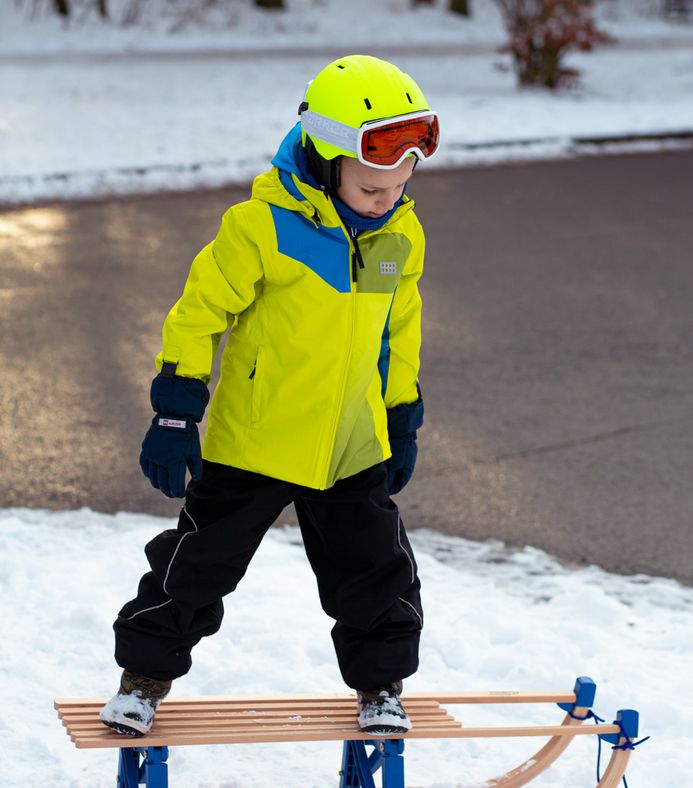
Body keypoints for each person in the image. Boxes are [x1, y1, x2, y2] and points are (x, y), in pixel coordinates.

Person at [98, 54, 438, 738]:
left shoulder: (400, 235)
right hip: (253, 440)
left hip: (351, 444)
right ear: (324, 156)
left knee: (377, 574)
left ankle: (380, 688)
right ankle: (142, 680)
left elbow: (399, 331)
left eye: (400, 185)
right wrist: (174, 411)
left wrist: (401, 417)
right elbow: (198, 316)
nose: (388, 200)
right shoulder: (260, 227)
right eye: (372, 187)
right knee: (194, 568)